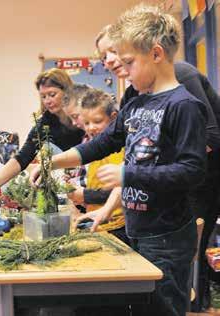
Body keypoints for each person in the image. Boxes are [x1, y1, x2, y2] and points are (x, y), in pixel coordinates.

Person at [31, 5, 206, 315]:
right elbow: (106, 141)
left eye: (128, 62)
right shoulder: (137, 100)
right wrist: (52, 163)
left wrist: (129, 176)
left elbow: (192, 171)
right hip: (136, 229)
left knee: (163, 309)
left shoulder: (184, 105)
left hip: (167, 235)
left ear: (155, 54)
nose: (123, 70)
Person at [96, 21, 220, 312]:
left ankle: (198, 303)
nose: (110, 61)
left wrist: (156, 165)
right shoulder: (137, 91)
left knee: (180, 271)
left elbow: (211, 136)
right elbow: (118, 141)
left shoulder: (181, 81)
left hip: (200, 183)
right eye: (104, 57)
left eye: (115, 52)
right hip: (159, 190)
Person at [0, 68, 84, 203]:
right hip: (71, 182)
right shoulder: (45, 123)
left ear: (67, 92)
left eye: (52, 94)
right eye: (43, 96)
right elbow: (22, 157)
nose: (47, 101)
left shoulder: (84, 116)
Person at [68, 89, 127, 244]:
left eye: (97, 121)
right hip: (98, 221)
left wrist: (85, 195)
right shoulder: (93, 146)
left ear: (114, 119)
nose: (91, 128)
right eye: (86, 123)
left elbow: (122, 189)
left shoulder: (119, 150)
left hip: (117, 225)